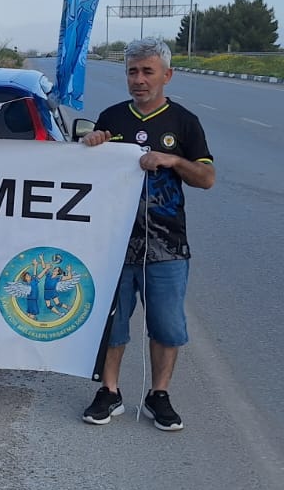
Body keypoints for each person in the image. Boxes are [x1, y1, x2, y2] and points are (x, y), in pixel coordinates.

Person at [80, 38, 215, 431]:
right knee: (113, 323)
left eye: (147, 72)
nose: (139, 80)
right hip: (115, 245)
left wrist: (173, 160)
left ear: (167, 75)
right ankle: (109, 391)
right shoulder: (111, 117)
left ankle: (159, 395)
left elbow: (207, 178)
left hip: (167, 245)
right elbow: (87, 176)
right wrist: (90, 146)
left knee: (167, 326)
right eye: (132, 72)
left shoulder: (184, 121)